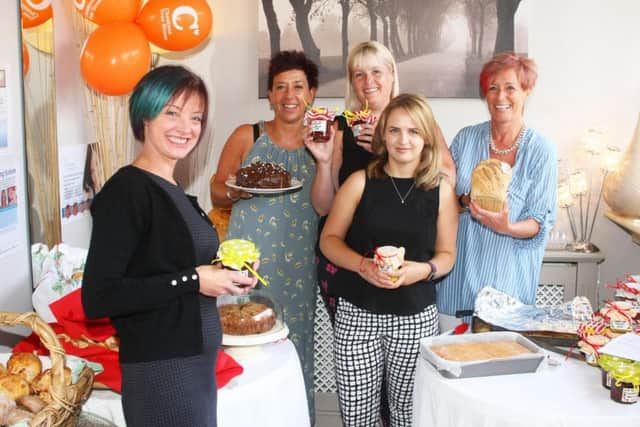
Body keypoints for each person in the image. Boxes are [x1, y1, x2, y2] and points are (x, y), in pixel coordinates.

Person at [82, 65, 258, 427]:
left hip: (194, 367)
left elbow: (164, 266)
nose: (186, 128)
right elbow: (99, 297)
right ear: (145, 115)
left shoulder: (174, 191)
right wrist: (194, 280)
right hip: (162, 373)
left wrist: (226, 275)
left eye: (196, 118)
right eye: (172, 113)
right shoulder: (127, 191)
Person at [320, 94, 458, 426]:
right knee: (357, 417)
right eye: (394, 130)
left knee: (408, 416)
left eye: (413, 131)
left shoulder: (440, 190)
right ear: (383, 135)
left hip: (415, 318)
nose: (403, 140)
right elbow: (329, 241)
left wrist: (423, 271)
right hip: (357, 317)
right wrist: (362, 265)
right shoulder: (360, 182)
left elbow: (447, 255)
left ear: (426, 136)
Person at [211, 50, 333, 422]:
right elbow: (215, 190)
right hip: (244, 261)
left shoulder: (326, 141)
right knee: (239, 343)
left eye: (298, 86)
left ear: (312, 93)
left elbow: (325, 206)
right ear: (269, 95)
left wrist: (324, 160)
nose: (289, 95)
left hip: (298, 264)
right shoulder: (247, 135)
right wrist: (237, 189)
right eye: (281, 87)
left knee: (294, 348)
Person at [314, 40, 456, 322]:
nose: (369, 81)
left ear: (392, 74)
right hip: (352, 265)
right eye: (359, 74)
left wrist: (387, 149)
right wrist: (324, 162)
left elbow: (446, 180)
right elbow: (324, 208)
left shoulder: (417, 121)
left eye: (377, 72)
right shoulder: (341, 127)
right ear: (351, 82)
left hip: (410, 265)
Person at [436, 52, 557, 330]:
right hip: (458, 284)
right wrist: (465, 200)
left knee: (500, 366)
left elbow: (540, 221)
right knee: (453, 366)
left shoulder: (541, 150)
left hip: (508, 291)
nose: (500, 96)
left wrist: (508, 227)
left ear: (527, 91)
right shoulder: (466, 138)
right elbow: (443, 201)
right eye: (493, 88)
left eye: (510, 87)